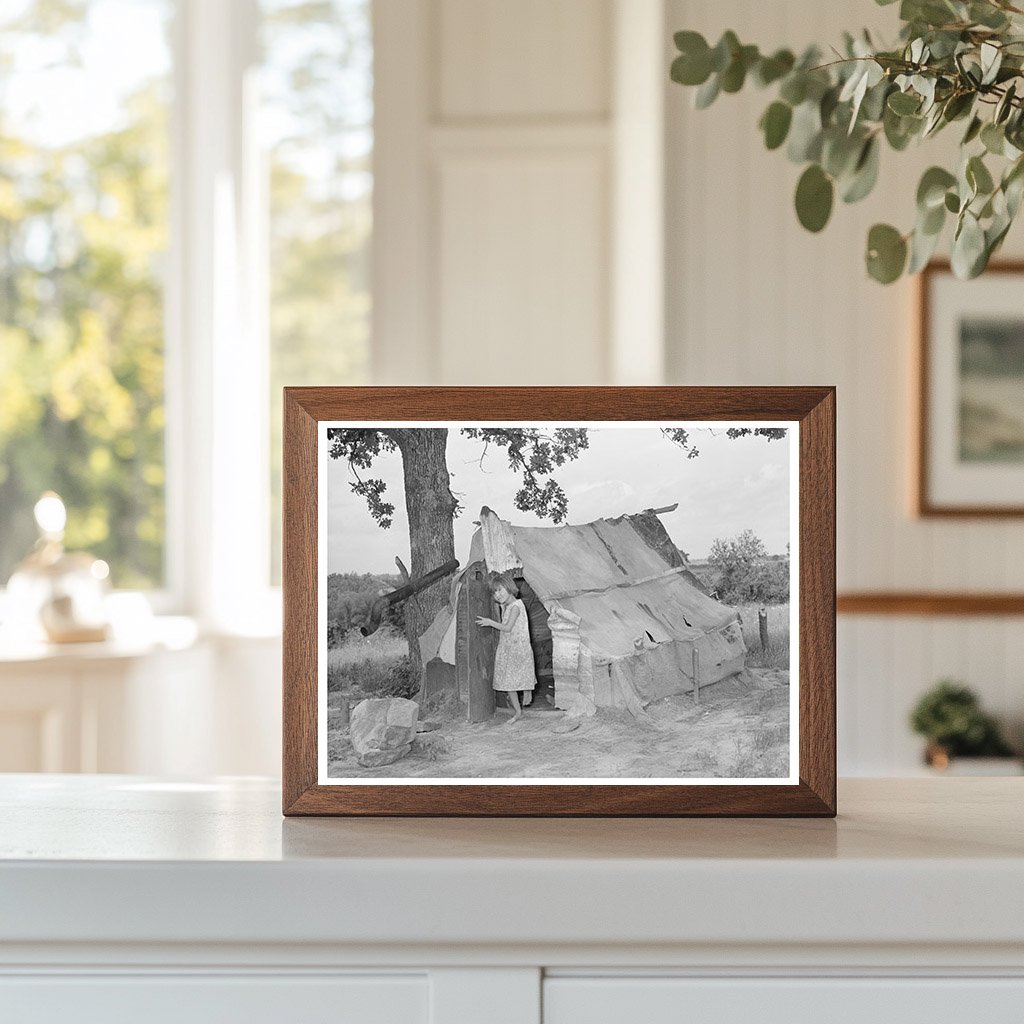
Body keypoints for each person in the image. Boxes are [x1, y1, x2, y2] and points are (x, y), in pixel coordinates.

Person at [476, 571, 535, 724]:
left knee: (520, 675)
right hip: (509, 647)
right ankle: (518, 712)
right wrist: (502, 607)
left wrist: (490, 622)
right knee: (509, 682)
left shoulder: (516, 607)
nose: (498, 595)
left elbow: (508, 627)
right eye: (495, 593)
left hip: (518, 648)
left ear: (509, 587)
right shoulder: (508, 606)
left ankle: (527, 692)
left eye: (500, 590)